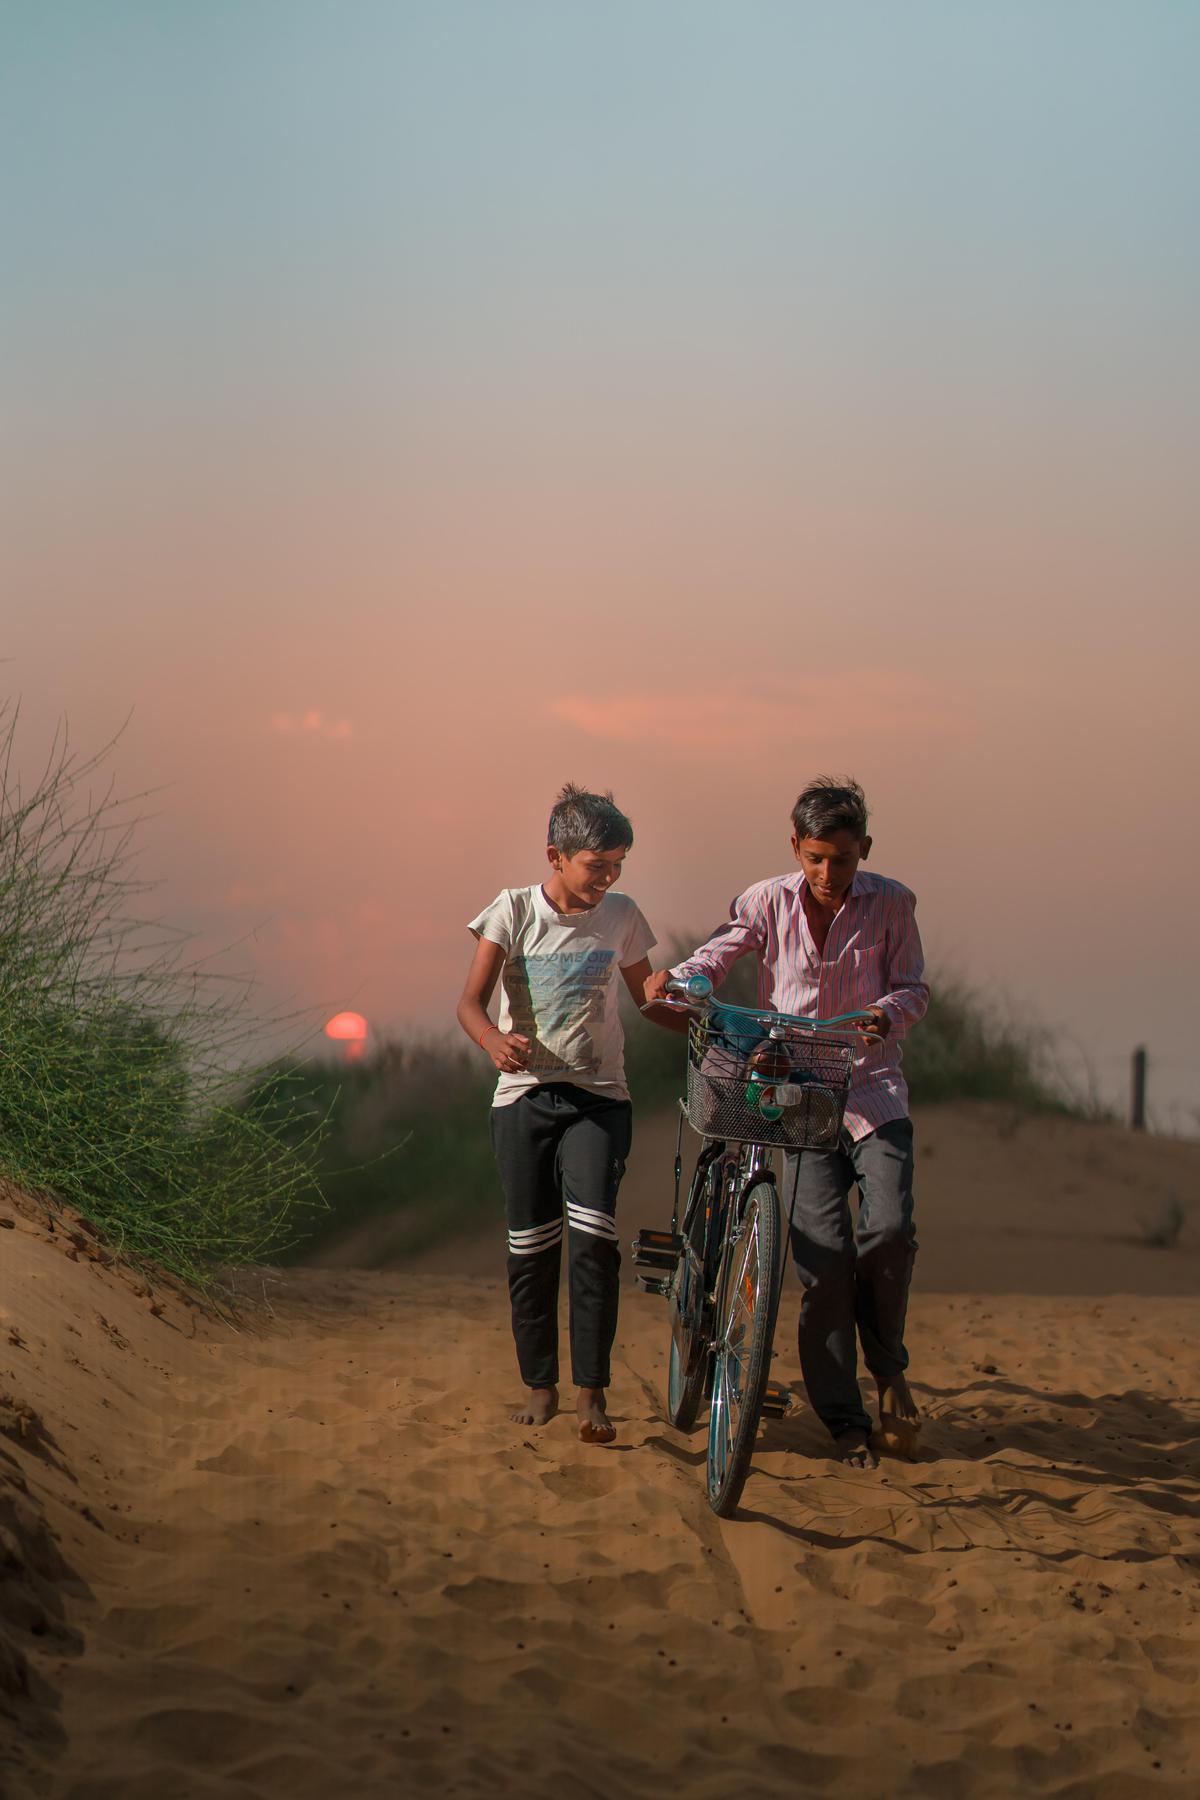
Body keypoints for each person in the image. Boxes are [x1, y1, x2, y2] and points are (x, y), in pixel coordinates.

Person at [644, 777, 928, 1471]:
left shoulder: (892, 903)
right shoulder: (765, 899)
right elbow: (721, 950)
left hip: (872, 1089)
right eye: (816, 858)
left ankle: (887, 1364)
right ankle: (844, 1420)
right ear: (796, 849)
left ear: (865, 848)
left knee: (889, 1230)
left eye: (843, 858)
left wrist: (887, 1014)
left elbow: (914, 985)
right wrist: (681, 980)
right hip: (793, 1093)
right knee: (824, 1260)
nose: (830, 873)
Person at [457, 783, 663, 1446]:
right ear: (556, 855)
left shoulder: (624, 916)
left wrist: (687, 1001)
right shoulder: (512, 912)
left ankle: (591, 1395)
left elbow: (649, 996)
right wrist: (493, 1042)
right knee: (532, 1248)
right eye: (596, 865)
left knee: (594, 1240)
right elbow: (469, 1003)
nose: (608, 878)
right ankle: (540, 1387)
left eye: (617, 866)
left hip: (599, 1099)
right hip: (523, 1101)